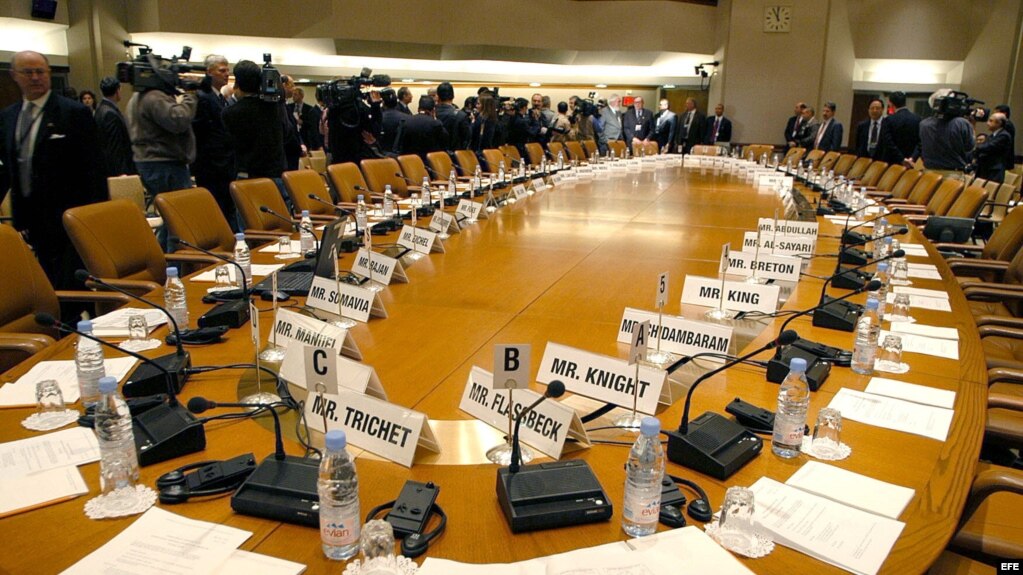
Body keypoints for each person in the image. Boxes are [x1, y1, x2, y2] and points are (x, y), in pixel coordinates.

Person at [0, 50, 106, 289]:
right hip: (32, 220)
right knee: (48, 281)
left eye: (41, 71)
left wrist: (96, 219)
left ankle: (71, 324)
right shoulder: (8, 117)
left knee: (70, 283)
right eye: (28, 72)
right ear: (14, 76)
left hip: (71, 216)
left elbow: (95, 169)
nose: (35, 77)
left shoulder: (73, 113)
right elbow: (9, 168)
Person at [130, 52, 198, 250]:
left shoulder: (137, 98)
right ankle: (174, 267)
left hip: (153, 163)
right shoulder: (154, 98)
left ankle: (161, 260)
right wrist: (190, 97)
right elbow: (178, 120)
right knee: (178, 218)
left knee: (170, 219)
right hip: (164, 163)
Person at [191, 54, 238, 230]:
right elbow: (205, 135)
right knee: (218, 211)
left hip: (223, 165)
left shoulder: (218, 97)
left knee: (227, 209)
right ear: (209, 72)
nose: (226, 74)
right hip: (212, 167)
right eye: (222, 70)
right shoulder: (203, 97)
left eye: (228, 70)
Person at [222, 60, 286, 184]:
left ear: (237, 82)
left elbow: (228, 144)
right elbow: (286, 132)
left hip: (248, 174)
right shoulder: (273, 107)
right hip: (276, 173)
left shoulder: (230, 112)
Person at [913, 89, 974, 179]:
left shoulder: (924, 123)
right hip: (953, 174)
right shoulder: (961, 123)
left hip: (929, 173)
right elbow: (969, 147)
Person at [94, 76, 136, 178]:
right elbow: (115, 145)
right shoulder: (110, 113)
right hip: (117, 169)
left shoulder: (100, 108)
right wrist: (121, 171)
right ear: (118, 90)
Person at [397, 95, 448, 162]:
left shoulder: (405, 122)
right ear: (433, 111)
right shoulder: (435, 124)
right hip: (430, 164)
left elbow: (398, 145)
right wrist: (435, 119)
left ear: (418, 109)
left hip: (409, 163)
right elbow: (446, 140)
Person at [879, 91, 920, 165]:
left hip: (891, 162)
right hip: (911, 163)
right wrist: (913, 157)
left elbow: (888, 142)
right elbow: (920, 142)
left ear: (891, 103)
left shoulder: (888, 120)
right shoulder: (917, 119)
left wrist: (901, 158)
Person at [973, 112, 1012, 183]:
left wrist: (975, 147)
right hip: (985, 170)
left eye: (991, 121)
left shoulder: (1004, 136)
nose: (987, 123)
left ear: (999, 123)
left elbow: (989, 147)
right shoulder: (992, 136)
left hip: (994, 172)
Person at [436, 82, 470, 151]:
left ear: (438, 97)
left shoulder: (432, 113)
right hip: (455, 156)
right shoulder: (461, 115)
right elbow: (467, 138)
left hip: (435, 156)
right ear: (453, 96)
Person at [290, 87, 323, 151]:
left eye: (295, 94)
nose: (293, 96)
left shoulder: (309, 109)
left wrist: (302, 122)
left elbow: (311, 124)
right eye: (293, 94)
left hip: (305, 137)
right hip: (293, 136)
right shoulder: (289, 107)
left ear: (301, 96)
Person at [470, 92, 498, 158]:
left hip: (479, 153)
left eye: (478, 104)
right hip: (490, 152)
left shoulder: (481, 120)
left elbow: (471, 134)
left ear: (484, 106)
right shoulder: (494, 119)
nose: (476, 106)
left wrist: (472, 121)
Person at [378, 89, 403, 154]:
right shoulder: (406, 118)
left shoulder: (378, 118)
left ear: (383, 102)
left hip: (382, 152)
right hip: (402, 154)